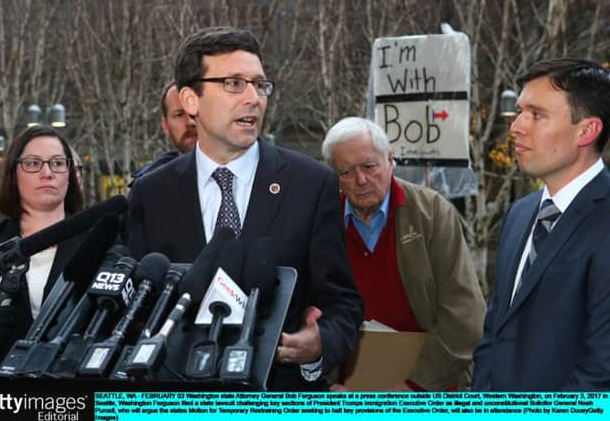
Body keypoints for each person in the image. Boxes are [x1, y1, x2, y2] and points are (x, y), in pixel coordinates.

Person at [127, 26, 363, 390]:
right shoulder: (151, 193)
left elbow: (342, 305)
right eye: (235, 83)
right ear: (191, 101)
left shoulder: (311, 185)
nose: (253, 98)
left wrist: (319, 346)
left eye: (259, 84)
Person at [473, 59, 610, 390]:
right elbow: (495, 332)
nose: (516, 126)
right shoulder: (520, 214)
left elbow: (600, 372)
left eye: (536, 114)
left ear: (587, 131)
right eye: (520, 111)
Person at [322, 117, 486, 391]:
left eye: (369, 166)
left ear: (390, 160)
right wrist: (326, 383)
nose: (360, 180)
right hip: (350, 392)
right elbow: (314, 313)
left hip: (431, 386)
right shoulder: (325, 222)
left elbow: (465, 315)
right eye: (346, 172)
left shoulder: (432, 213)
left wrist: (414, 387)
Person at [0, 125, 84, 391]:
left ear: (70, 174)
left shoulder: (101, 243)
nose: (47, 173)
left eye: (57, 163)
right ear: (13, 174)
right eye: (33, 163)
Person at [130, 80, 198, 183]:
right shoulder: (150, 189)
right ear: (165, 125)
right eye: (179, 114)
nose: (190, 122)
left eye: (195, 111)